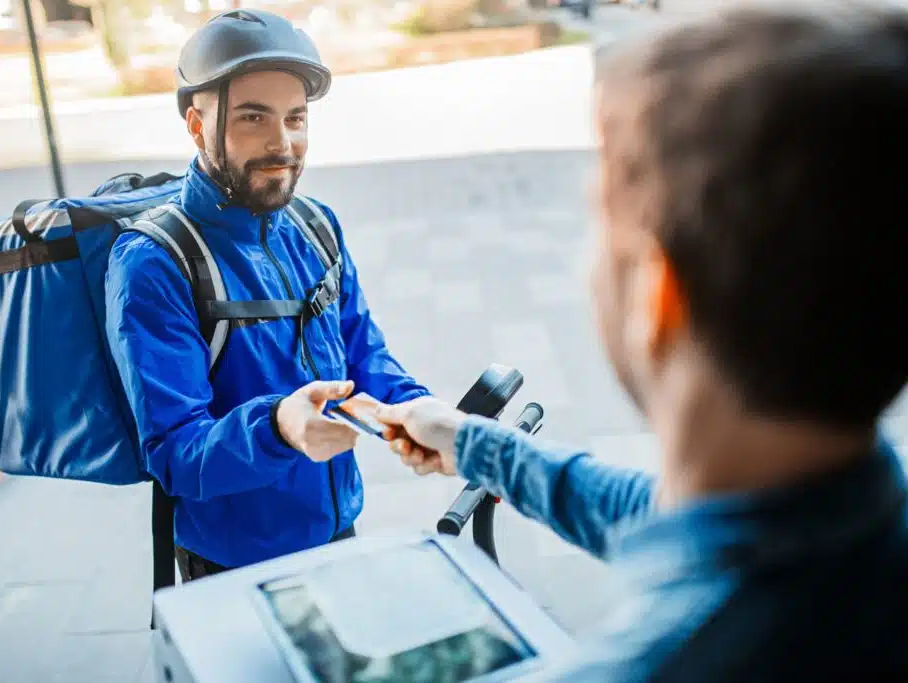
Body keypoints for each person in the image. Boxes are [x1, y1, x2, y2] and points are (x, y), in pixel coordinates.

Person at [376, 4, 908, 681]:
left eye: (601, 224)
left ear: (659, 294)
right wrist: (468, 441)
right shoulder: (853, 532)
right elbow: (660, 516)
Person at [104, 10, 430, 581]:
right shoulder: (155, 263)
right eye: (254, 118)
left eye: (296, 118)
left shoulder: (315, 226)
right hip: (233, 563)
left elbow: (364, 357)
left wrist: (420, 409)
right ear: (198, 125)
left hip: (338, 529)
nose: (283, 142)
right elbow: (176, 454)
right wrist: (279, 427)